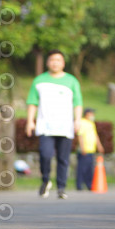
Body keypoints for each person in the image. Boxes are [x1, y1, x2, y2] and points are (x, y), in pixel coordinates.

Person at [25, 49, 82, 199]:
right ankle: (45, 180)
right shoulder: (39, 81)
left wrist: (77, 120)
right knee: (45, 154)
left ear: (63, 63)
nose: (55, 63)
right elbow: (32, 102)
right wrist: (30, 121)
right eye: (52, 60)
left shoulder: (71, 81)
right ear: (47, 62)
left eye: (58, 60)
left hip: (65, 126)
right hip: (45, 126)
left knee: (63, 158)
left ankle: (61, 188)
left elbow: (78, 103)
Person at [76, 108, 105, 190]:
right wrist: (82, 148)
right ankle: (79, 185)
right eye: (92, 114)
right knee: (81, 169)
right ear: (87, 114)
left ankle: (89, 185)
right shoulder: (82, 122)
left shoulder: (91, 123)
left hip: (91, 150)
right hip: (84, 150)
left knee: (89, 169)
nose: (93, 116)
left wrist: (99, 146)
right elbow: (80, 135)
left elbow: (95, 136)